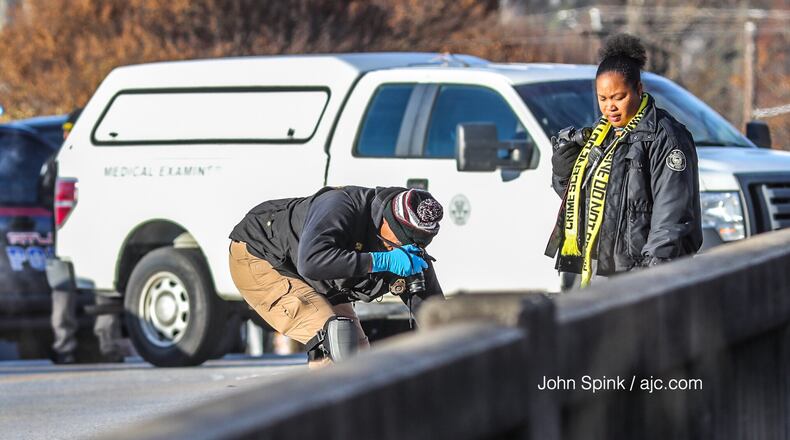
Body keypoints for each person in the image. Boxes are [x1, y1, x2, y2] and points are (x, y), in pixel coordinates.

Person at [545, 33, 702, 288]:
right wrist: (564, 176)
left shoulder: (666, 137)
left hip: (642, 276)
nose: (610, 108)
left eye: (619, 97)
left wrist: (650, 276)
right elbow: (583, 205)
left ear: (639, 90)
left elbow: (672, 216)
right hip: (596, 270)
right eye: (603, 99)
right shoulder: (600, 136)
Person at [229, 186, 444, 365]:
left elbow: (435, 315)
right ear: (387, 221)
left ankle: (361, 414)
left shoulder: (409, 253)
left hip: (319, 276)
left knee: (357, 356)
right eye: (402, 240)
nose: (406, 248)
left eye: (418, 244)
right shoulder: (341, 205)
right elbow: (312, 262)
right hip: (262, 256)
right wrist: (380, 261)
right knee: (334, 342)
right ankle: (323, 414)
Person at [47, 108, 124, 363]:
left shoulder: (104, 159)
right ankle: (65, 347)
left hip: (98, 236)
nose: (67, 137)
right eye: (66, 132)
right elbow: (45, 194)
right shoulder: (57, 161)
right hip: (66, 238)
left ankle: (108, 346)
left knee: (104, 290)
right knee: (63, 292)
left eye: (71, 131)